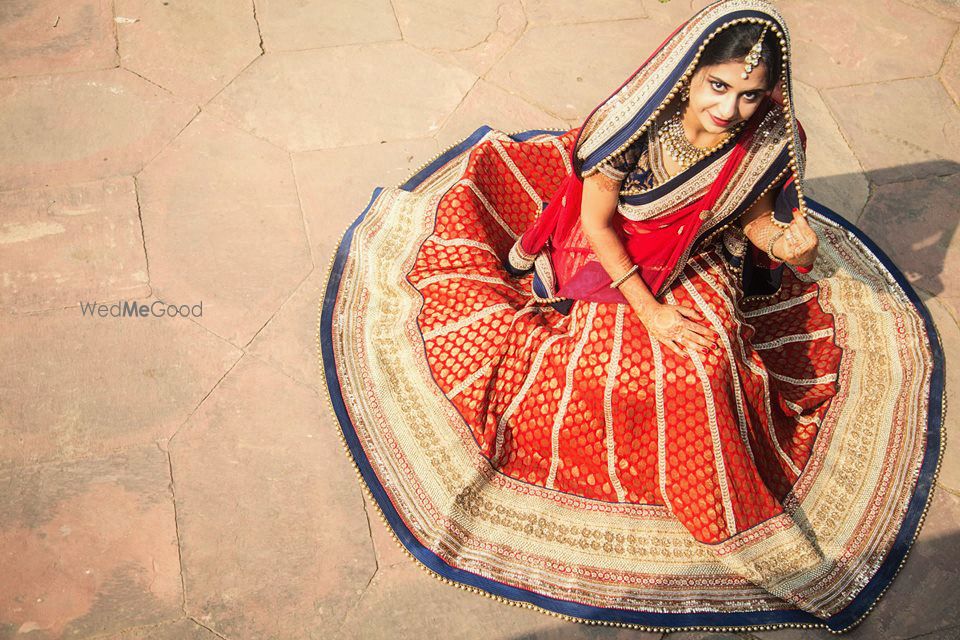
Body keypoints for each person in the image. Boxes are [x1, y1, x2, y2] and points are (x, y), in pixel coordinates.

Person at [319, 0, 944, 633]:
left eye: (750, 95)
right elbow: (595, 222)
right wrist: (650, 313)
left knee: (712, 355)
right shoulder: (632, 129)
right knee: (632, 370)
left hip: (694, 257)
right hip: (606, 259)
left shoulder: (767, 140)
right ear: (692, 73)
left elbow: (753, 216)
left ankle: (723, 497)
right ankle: (695, 496)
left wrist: (783, 243)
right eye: (718, 87)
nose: (729, 109)